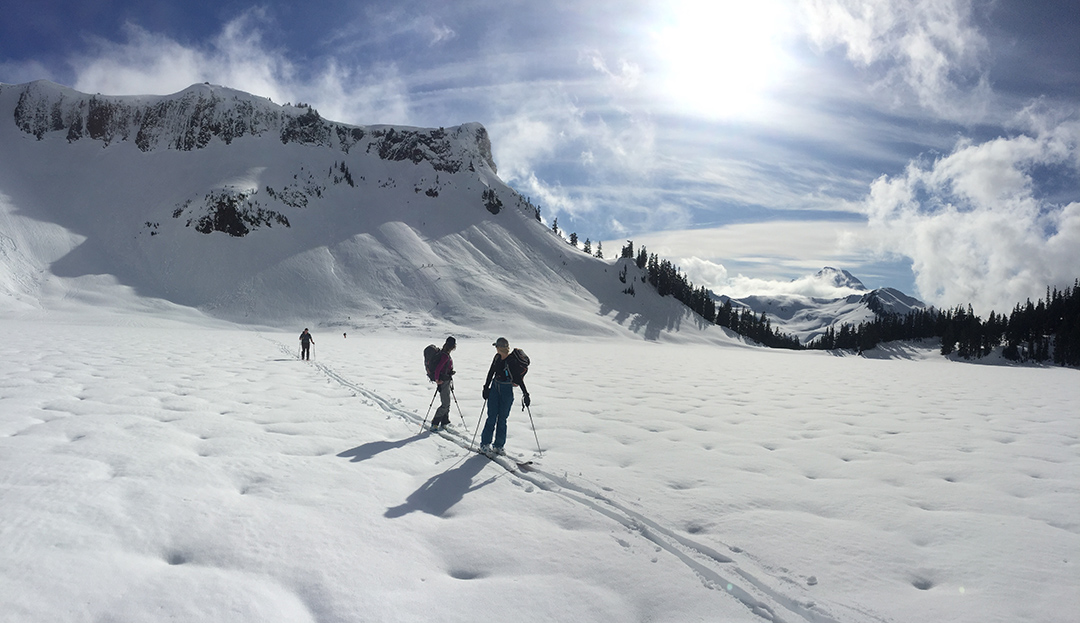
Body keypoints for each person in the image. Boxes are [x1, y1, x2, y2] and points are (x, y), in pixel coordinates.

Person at [480, 337, 530, 456]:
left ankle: (497, 445)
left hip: (504, 389)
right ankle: (487, 444)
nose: (496, 349)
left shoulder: (511, 361)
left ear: (499, 347)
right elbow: (491, 372)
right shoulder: (497, 358)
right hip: (498, 388)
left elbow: (517, 378)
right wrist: (486, 387)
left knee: (500, 418)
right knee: (494, 417)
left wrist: (525, 393)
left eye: (496, 346)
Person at [429, 336, 456, 431]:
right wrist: (437, 379)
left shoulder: (445, 354)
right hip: (443, 381)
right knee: (445, 403)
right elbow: (438, 368)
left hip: (446, 380)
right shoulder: (445, 355)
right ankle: (435, 423)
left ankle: (445, 421)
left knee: (447, 402)